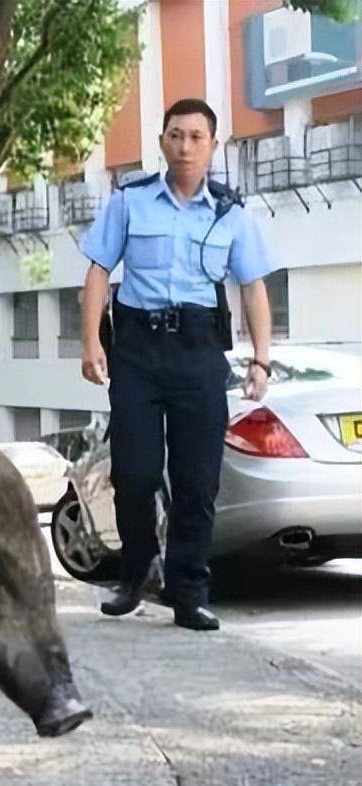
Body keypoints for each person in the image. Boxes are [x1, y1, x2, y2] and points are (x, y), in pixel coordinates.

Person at [77, 98, 276, 631]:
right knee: (135, 474)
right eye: (175, 135)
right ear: (162, 142)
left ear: (212, 145)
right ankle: (134, 573)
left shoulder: (232, 213)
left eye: (195, 137)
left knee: (196, 482)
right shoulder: (131, 201)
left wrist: (262, 358)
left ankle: (188, 592)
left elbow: (253, 286)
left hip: (198, 352)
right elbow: (98, 269)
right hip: (138, 351)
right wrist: (90, 343)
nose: (184, 146)